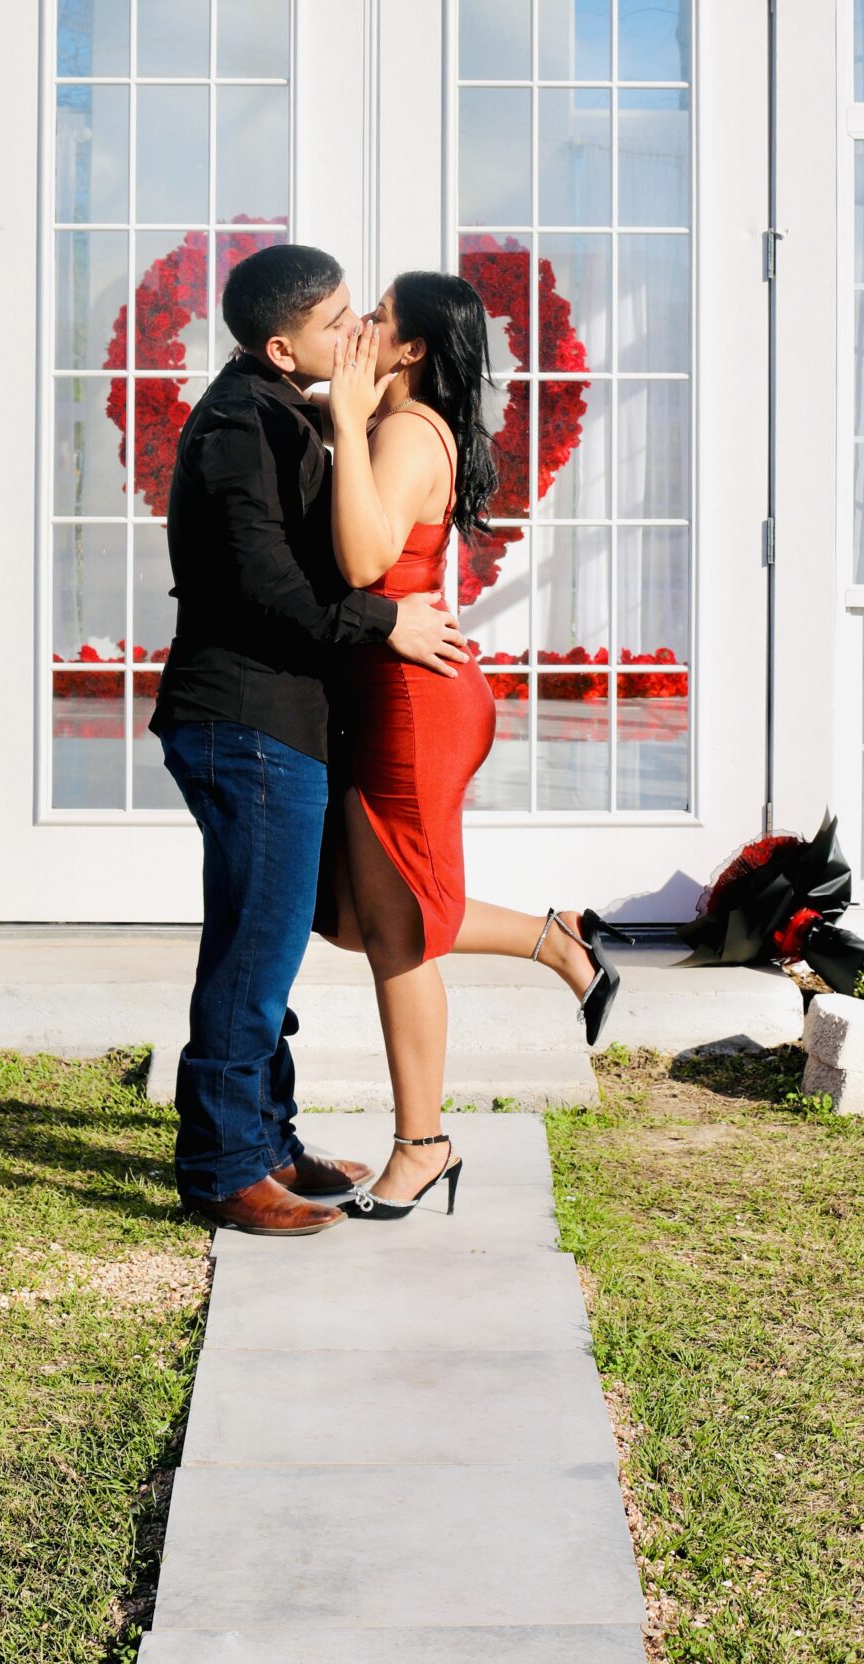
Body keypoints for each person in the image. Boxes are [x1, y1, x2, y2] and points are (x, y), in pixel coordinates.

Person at [151, 242, 470, 1237]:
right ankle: (220, 1168)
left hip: (279, 719)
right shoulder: (241, 426)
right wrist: (387, 624)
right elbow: (266, 590)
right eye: (343, 320)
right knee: (253, 951)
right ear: (286, 348)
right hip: (244, 720)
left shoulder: (290, 408)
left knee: (273, 945)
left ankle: (269, 1138)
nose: (363, 333)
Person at [319, 270, 624, 1222]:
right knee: (362, 919)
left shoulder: (405, 432)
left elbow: (366, 562)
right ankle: (553, 940)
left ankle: (421, 1145)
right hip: (399, 693)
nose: (360, 326)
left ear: (408, 349)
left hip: (413, 702)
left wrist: (342, 419)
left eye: (377, 318)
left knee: (398, 934)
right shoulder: (403, 424)